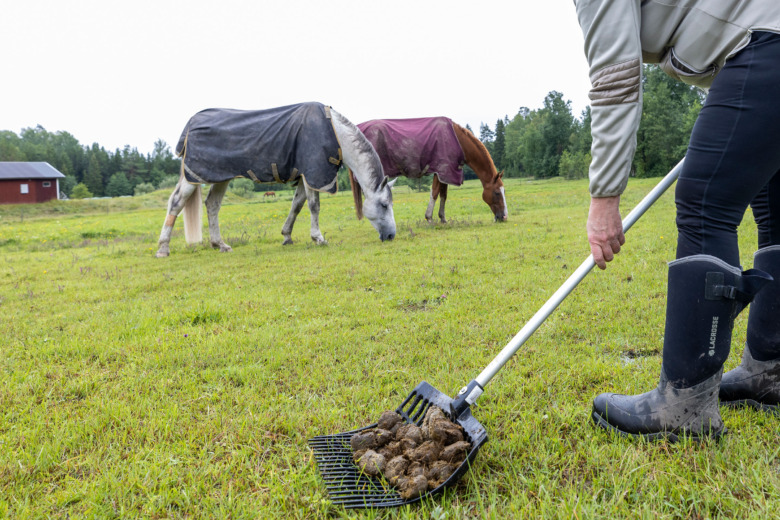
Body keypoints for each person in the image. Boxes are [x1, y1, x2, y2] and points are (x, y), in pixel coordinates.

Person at [575, 0, 780, 440]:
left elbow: (615, 76)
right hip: (767, 42)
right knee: (775, 210)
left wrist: (605, 193)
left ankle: (684, 405)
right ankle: (770, 370)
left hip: (764, 47)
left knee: (705, 203)